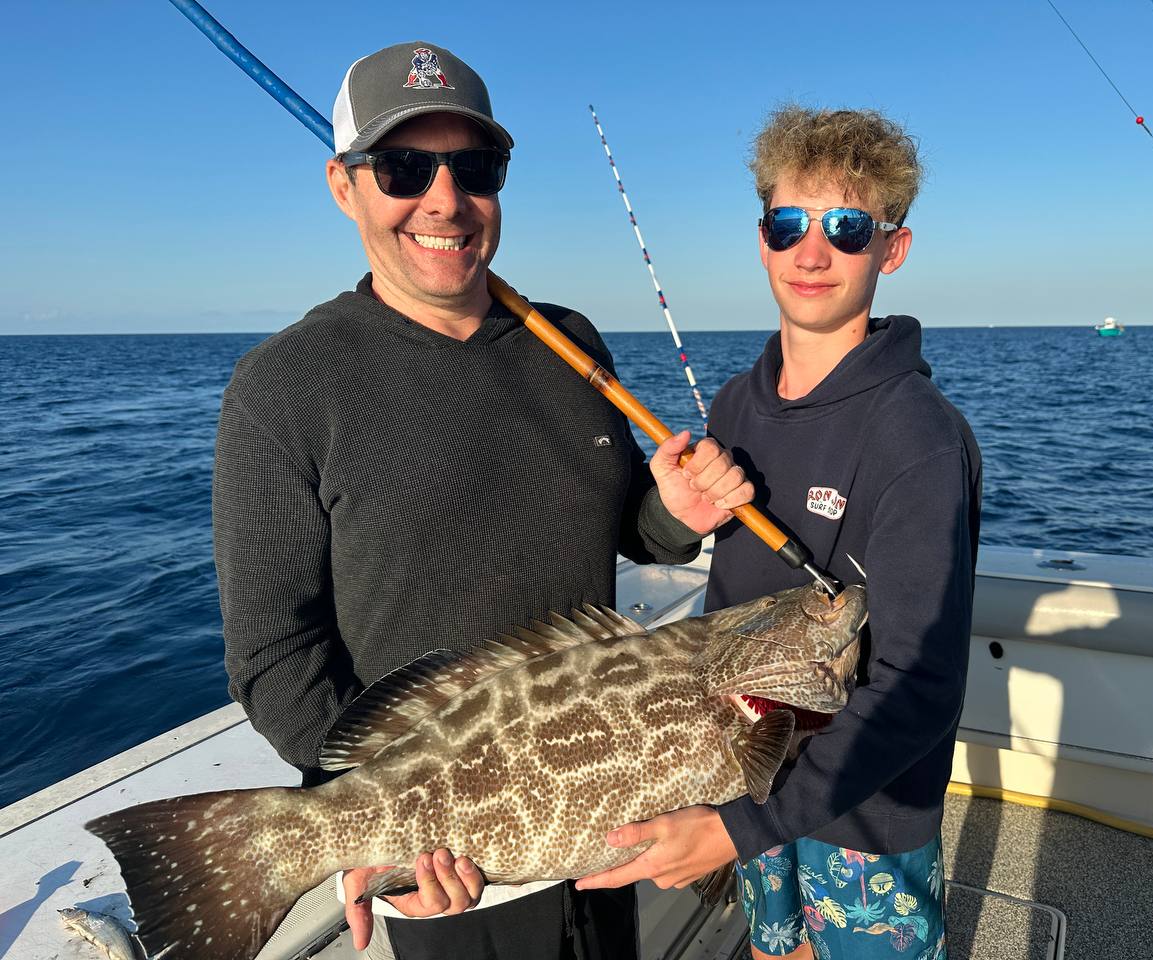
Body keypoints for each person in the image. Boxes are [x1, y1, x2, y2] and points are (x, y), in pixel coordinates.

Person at [211, 41, 752, 960]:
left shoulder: (569, 343)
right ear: (345, 187)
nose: (444, 199)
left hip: (605, 813)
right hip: (453, 863)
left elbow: (624, 528)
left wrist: (673, 516)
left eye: (475, 167)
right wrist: (376, 814)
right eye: (404, 167)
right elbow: (275, 654)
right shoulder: (284, 386)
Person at [577, 106, 982, 960]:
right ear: (762, 238)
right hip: (738, 774)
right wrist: (676, 514)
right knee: (773, 951)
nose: (812, 252)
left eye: (845, 227)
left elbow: (920, 684)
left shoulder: (918, 436)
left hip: (863, 806)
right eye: (788, 223)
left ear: (890, 248)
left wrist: (735, 830)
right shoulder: (732, 403)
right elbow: (717, 595)